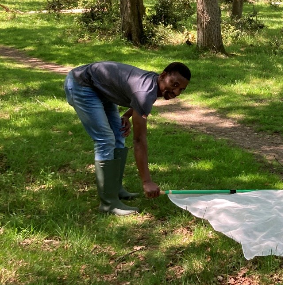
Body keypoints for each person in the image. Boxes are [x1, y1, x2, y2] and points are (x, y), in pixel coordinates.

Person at [64, 61, 191, 216]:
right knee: (105, 139)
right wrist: (147, 181)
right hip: (82, 85)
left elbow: (139, 99)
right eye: (174, 84)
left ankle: (115, 189)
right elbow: (139, 140)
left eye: (181, 89)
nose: (176, 92)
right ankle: (108, 203)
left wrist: (127, 115)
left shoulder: (153, 84)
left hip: (99, 87)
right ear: (163, 76)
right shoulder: (145, 91)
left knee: (118, 134)